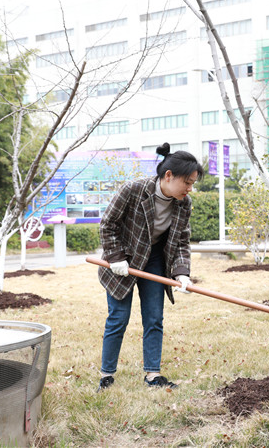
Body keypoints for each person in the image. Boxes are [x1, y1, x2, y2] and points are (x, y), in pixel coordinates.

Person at [96, 143, 203, 391]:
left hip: (155, 260)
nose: (190, 188)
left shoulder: (183, 204)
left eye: (193, 184)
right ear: (168, 176)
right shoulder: (133, 190)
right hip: (123, 258)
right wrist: (115, 257)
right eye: (187, 182)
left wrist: (182, 273)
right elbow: (107, 224)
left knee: (154, 318)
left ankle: (153, 375)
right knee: (118, 318)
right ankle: (106, 375)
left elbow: (181, 241)